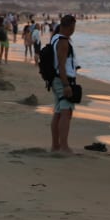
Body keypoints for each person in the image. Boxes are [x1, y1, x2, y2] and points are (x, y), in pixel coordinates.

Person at [47, 15, 79, 153]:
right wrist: (66, 85)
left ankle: (56, 146)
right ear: (71, 26)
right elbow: (61, 65)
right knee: (66, 112)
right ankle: (64, 147)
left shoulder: (55, 38)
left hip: (56, 79)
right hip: (62, 80)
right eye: (74, 26)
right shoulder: (63, 42)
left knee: (59, 112)